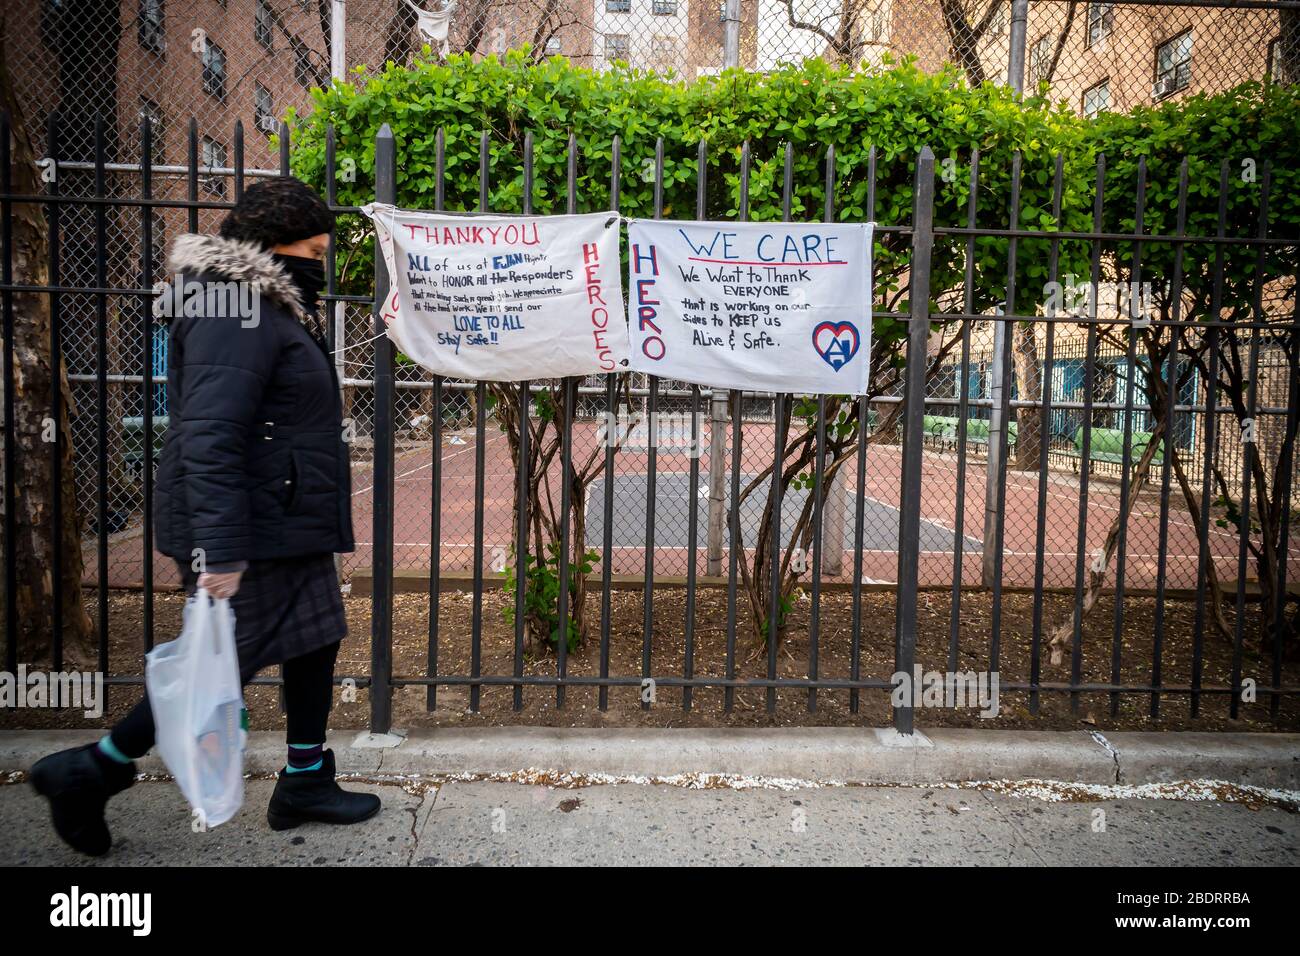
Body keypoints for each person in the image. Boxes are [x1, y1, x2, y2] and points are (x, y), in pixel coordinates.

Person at [31, 177, 379, 856]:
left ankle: (305, 778)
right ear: (270, 247)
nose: (320, 261)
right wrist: (220, 552)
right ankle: (91, 769)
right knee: (213, 668)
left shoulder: (262, 304)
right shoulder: (234, 310)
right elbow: (211, 433)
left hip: (282, 517)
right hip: (246, 525)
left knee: (315, 637)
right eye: (311, 248)